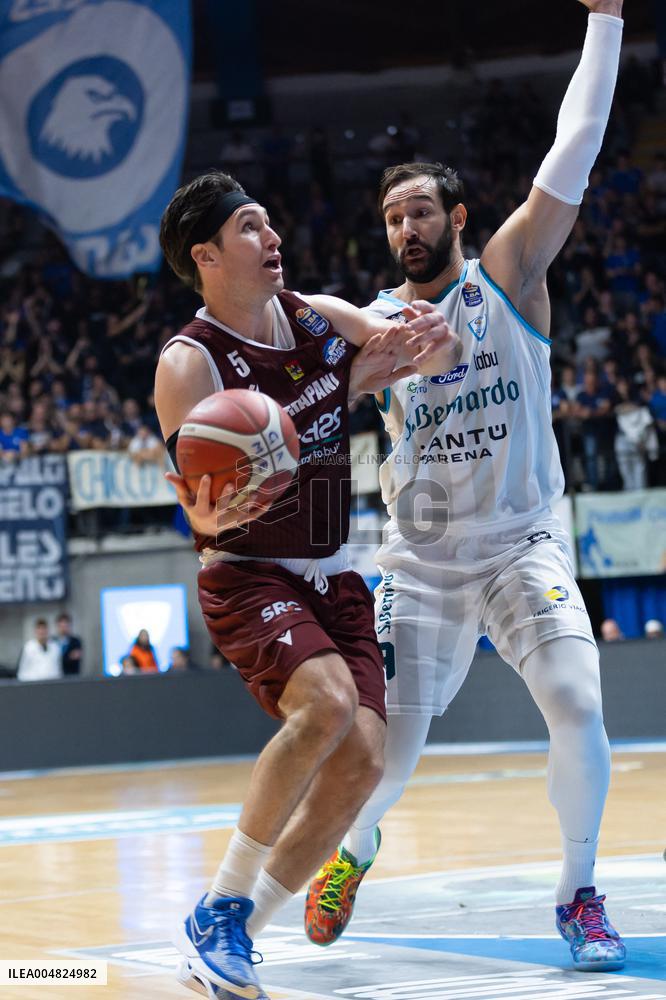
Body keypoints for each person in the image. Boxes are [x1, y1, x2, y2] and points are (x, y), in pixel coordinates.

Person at [305, 0, 627, 974]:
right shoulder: (378, 323)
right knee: (382, 764)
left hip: (523, 546)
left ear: (456, 218)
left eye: (419, 211)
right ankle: (356, 851)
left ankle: (579, 894)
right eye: (391, 216)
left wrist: (606, 19)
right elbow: (303, 320)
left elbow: (575, 148)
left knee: (578, 704)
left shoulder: (510, 278)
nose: (404, 226)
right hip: (422, 564)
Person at [155, 169, 457, 999]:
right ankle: (221, 905)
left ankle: (229, 941)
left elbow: (425, 353)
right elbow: (207, 514)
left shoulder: (317, 315)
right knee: (324, 705)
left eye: (269, 222)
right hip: (249, 572)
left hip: (333, 570)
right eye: (251, 227)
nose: (274, 238)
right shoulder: (190, 362)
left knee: (363, 764)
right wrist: (336, 394)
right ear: (207, 256)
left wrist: (427, 332)